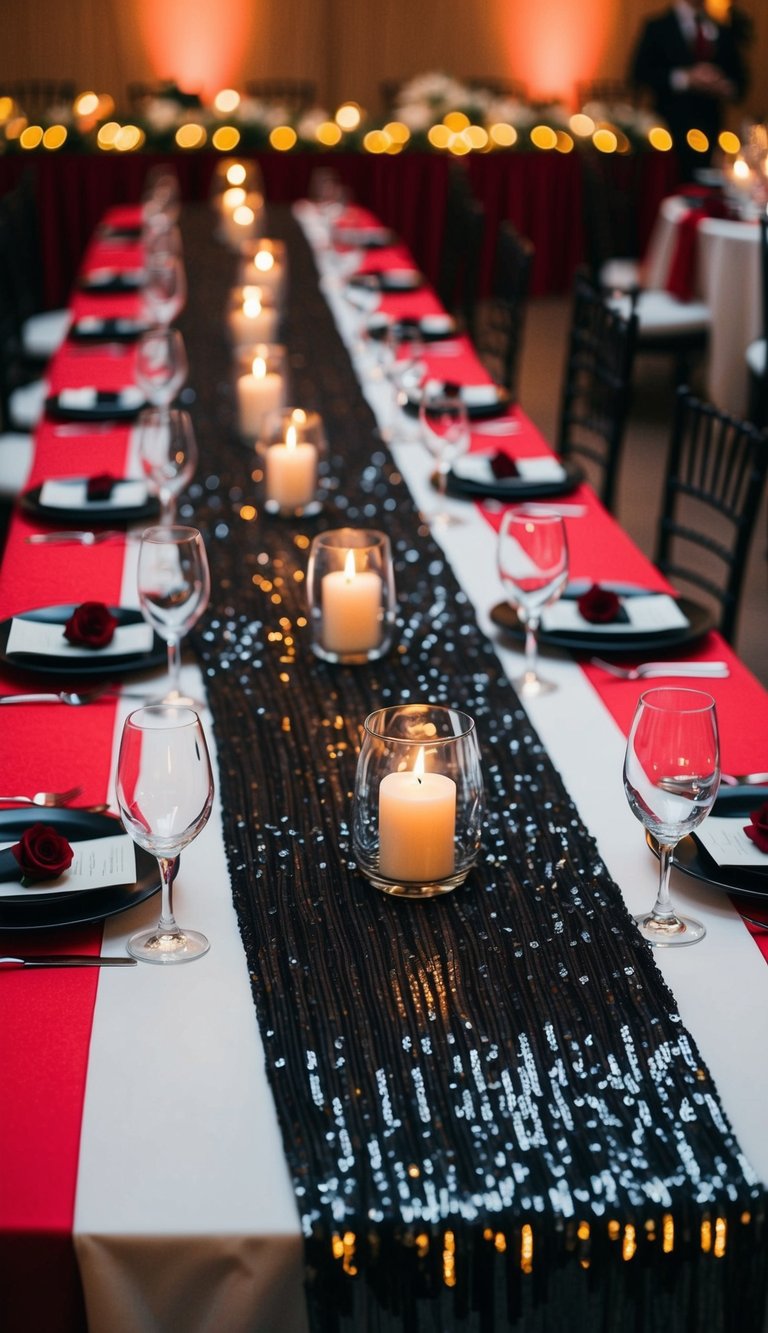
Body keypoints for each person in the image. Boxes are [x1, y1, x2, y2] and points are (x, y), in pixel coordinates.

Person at [630, 0, 748, 180]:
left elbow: (740, 83)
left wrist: (721, 85)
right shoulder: (657, 27)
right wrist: (685, 78)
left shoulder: (721, 30)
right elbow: (639, 75)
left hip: (711, 131)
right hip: (669, 130)